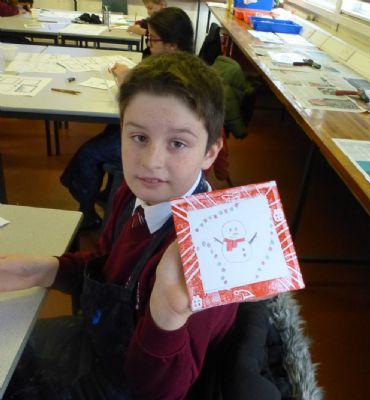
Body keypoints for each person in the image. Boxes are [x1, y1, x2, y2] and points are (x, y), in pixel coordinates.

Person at [1, 51, 238, 400]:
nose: (151, 162)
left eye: (177, 143)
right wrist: (42, 270)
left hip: (130, 387)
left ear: (210, 152)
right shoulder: (132, 194)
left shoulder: (212, 251)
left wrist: (168, 314)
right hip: (95, 343)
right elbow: (109, 268)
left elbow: (164, 392)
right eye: (139, 137)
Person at [60, 7, 194, 230]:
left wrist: (127, 82)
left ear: (172, 45)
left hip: (152, 143)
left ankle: (87, 211)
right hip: (150, 135)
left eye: (153, 40)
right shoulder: (176, 65)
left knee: (89, 154)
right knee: (108, 131)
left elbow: (151, 111)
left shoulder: (178, 77)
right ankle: (100, 194)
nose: (149, 44)